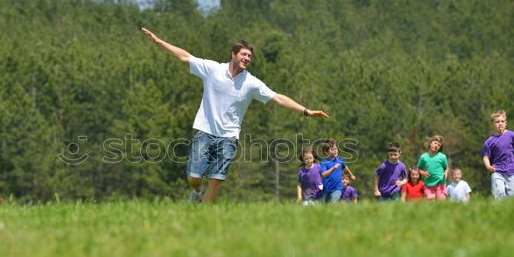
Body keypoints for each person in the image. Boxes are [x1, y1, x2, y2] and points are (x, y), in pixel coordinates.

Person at [141, 28, 328, 203]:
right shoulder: (213, 69)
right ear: (233, 54)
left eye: (249, 56)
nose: (247, 58)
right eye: (244, 54)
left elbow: (278, 98)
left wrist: (306, 111)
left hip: (229, 137)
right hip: (205, 131)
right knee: (194, 176)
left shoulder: (251, 83)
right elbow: (184, 56)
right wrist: (158, 41)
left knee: (216, 179)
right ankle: (197, 191)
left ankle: (204, 216)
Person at [482, 110, 514, 199]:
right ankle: (499, 211)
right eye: (497, 122)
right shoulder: (489, 141)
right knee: (499, 193)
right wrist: (489, 167)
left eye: (502, 121)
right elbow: (485, 157)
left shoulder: (513, 135)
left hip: (512, 170)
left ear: (506, 123)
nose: (500, 124)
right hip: (497, 171)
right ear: (492, 124)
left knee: (513, 195)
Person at [319, 138, 356, 204]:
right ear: (326, 152)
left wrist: (351, 175)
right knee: (324, 207)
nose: (335, 150)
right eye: (333, 149)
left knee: (333, 203)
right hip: (326, 190)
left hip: (337, 189)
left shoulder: (340, 160)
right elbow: (323, 174)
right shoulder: (324, 162)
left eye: (336, 148)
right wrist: (333, 168)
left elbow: (345, 167)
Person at [416, 135, 449, 200]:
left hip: (440, 183)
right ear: (430, 143)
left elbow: (447, 167)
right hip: (428, 184)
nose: (436, 146)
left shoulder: (442, 157)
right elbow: (418, 168)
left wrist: (446, 173)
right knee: (431, 203)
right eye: (435, 143)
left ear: (440, 148)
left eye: (439, 145)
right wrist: (422, 172)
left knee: (441, 203)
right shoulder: (423, 157)